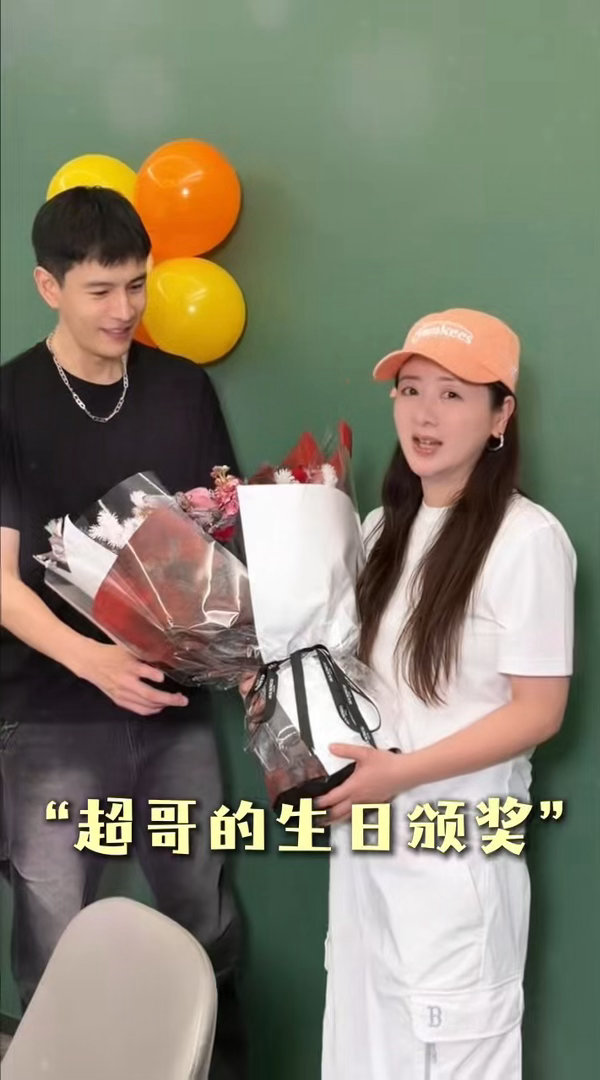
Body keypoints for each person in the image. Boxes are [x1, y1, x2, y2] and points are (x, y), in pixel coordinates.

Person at [0, 186, 247, 1079]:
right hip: (50, 718)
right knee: (55, 942)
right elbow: (0, 582)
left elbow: (218, 541)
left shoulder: (182, 388)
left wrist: (239, 652)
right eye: (100, 290)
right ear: (48, 286)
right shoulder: (9, 399)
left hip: (177, 713)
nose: (124, 309)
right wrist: (93, 662)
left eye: (136, 285)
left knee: (204, 922)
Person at [318, 309, 576, 1079]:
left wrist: (401, 773)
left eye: (453, 394)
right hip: (366, 854)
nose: (424, 414)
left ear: (501, 416)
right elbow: (354, 683)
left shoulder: (527, 540)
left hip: (456, 859)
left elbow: (539, 711)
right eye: (410, 390)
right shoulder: (377, 531)